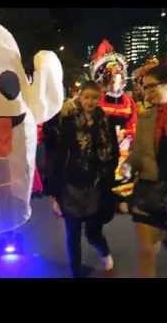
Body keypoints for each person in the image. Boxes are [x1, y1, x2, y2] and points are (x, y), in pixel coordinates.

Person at [124, 63, 167, 278]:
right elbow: (137, 154)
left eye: (151, 87)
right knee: (147, 252)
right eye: (144, 88)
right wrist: (128, 165)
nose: (146, 92)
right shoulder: (145, 117)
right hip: (148, 191)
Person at [47, 81, 119, 278]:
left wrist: (109, 175)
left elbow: (113, 152)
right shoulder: (68, 121)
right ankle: (76, 273)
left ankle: (104, 254)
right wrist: (54, 191)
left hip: (96, 185)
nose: (90, 101)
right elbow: (58, 154)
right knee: (73, 235)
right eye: (86, 97)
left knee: (93, 232)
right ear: (79, 97)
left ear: (99, 98)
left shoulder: (105, 121)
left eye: (94, 97)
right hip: (71, 185)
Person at [91, 39, 137, 209]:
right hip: (104, 140)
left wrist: (127, 134)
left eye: (119, 77)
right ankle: (105, 198)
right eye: (111, 78)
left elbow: (133, 120)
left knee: (123, 168)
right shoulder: (99, 100)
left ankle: (122, 198)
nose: (115, 82)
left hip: (123, 141)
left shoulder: (128, 101)